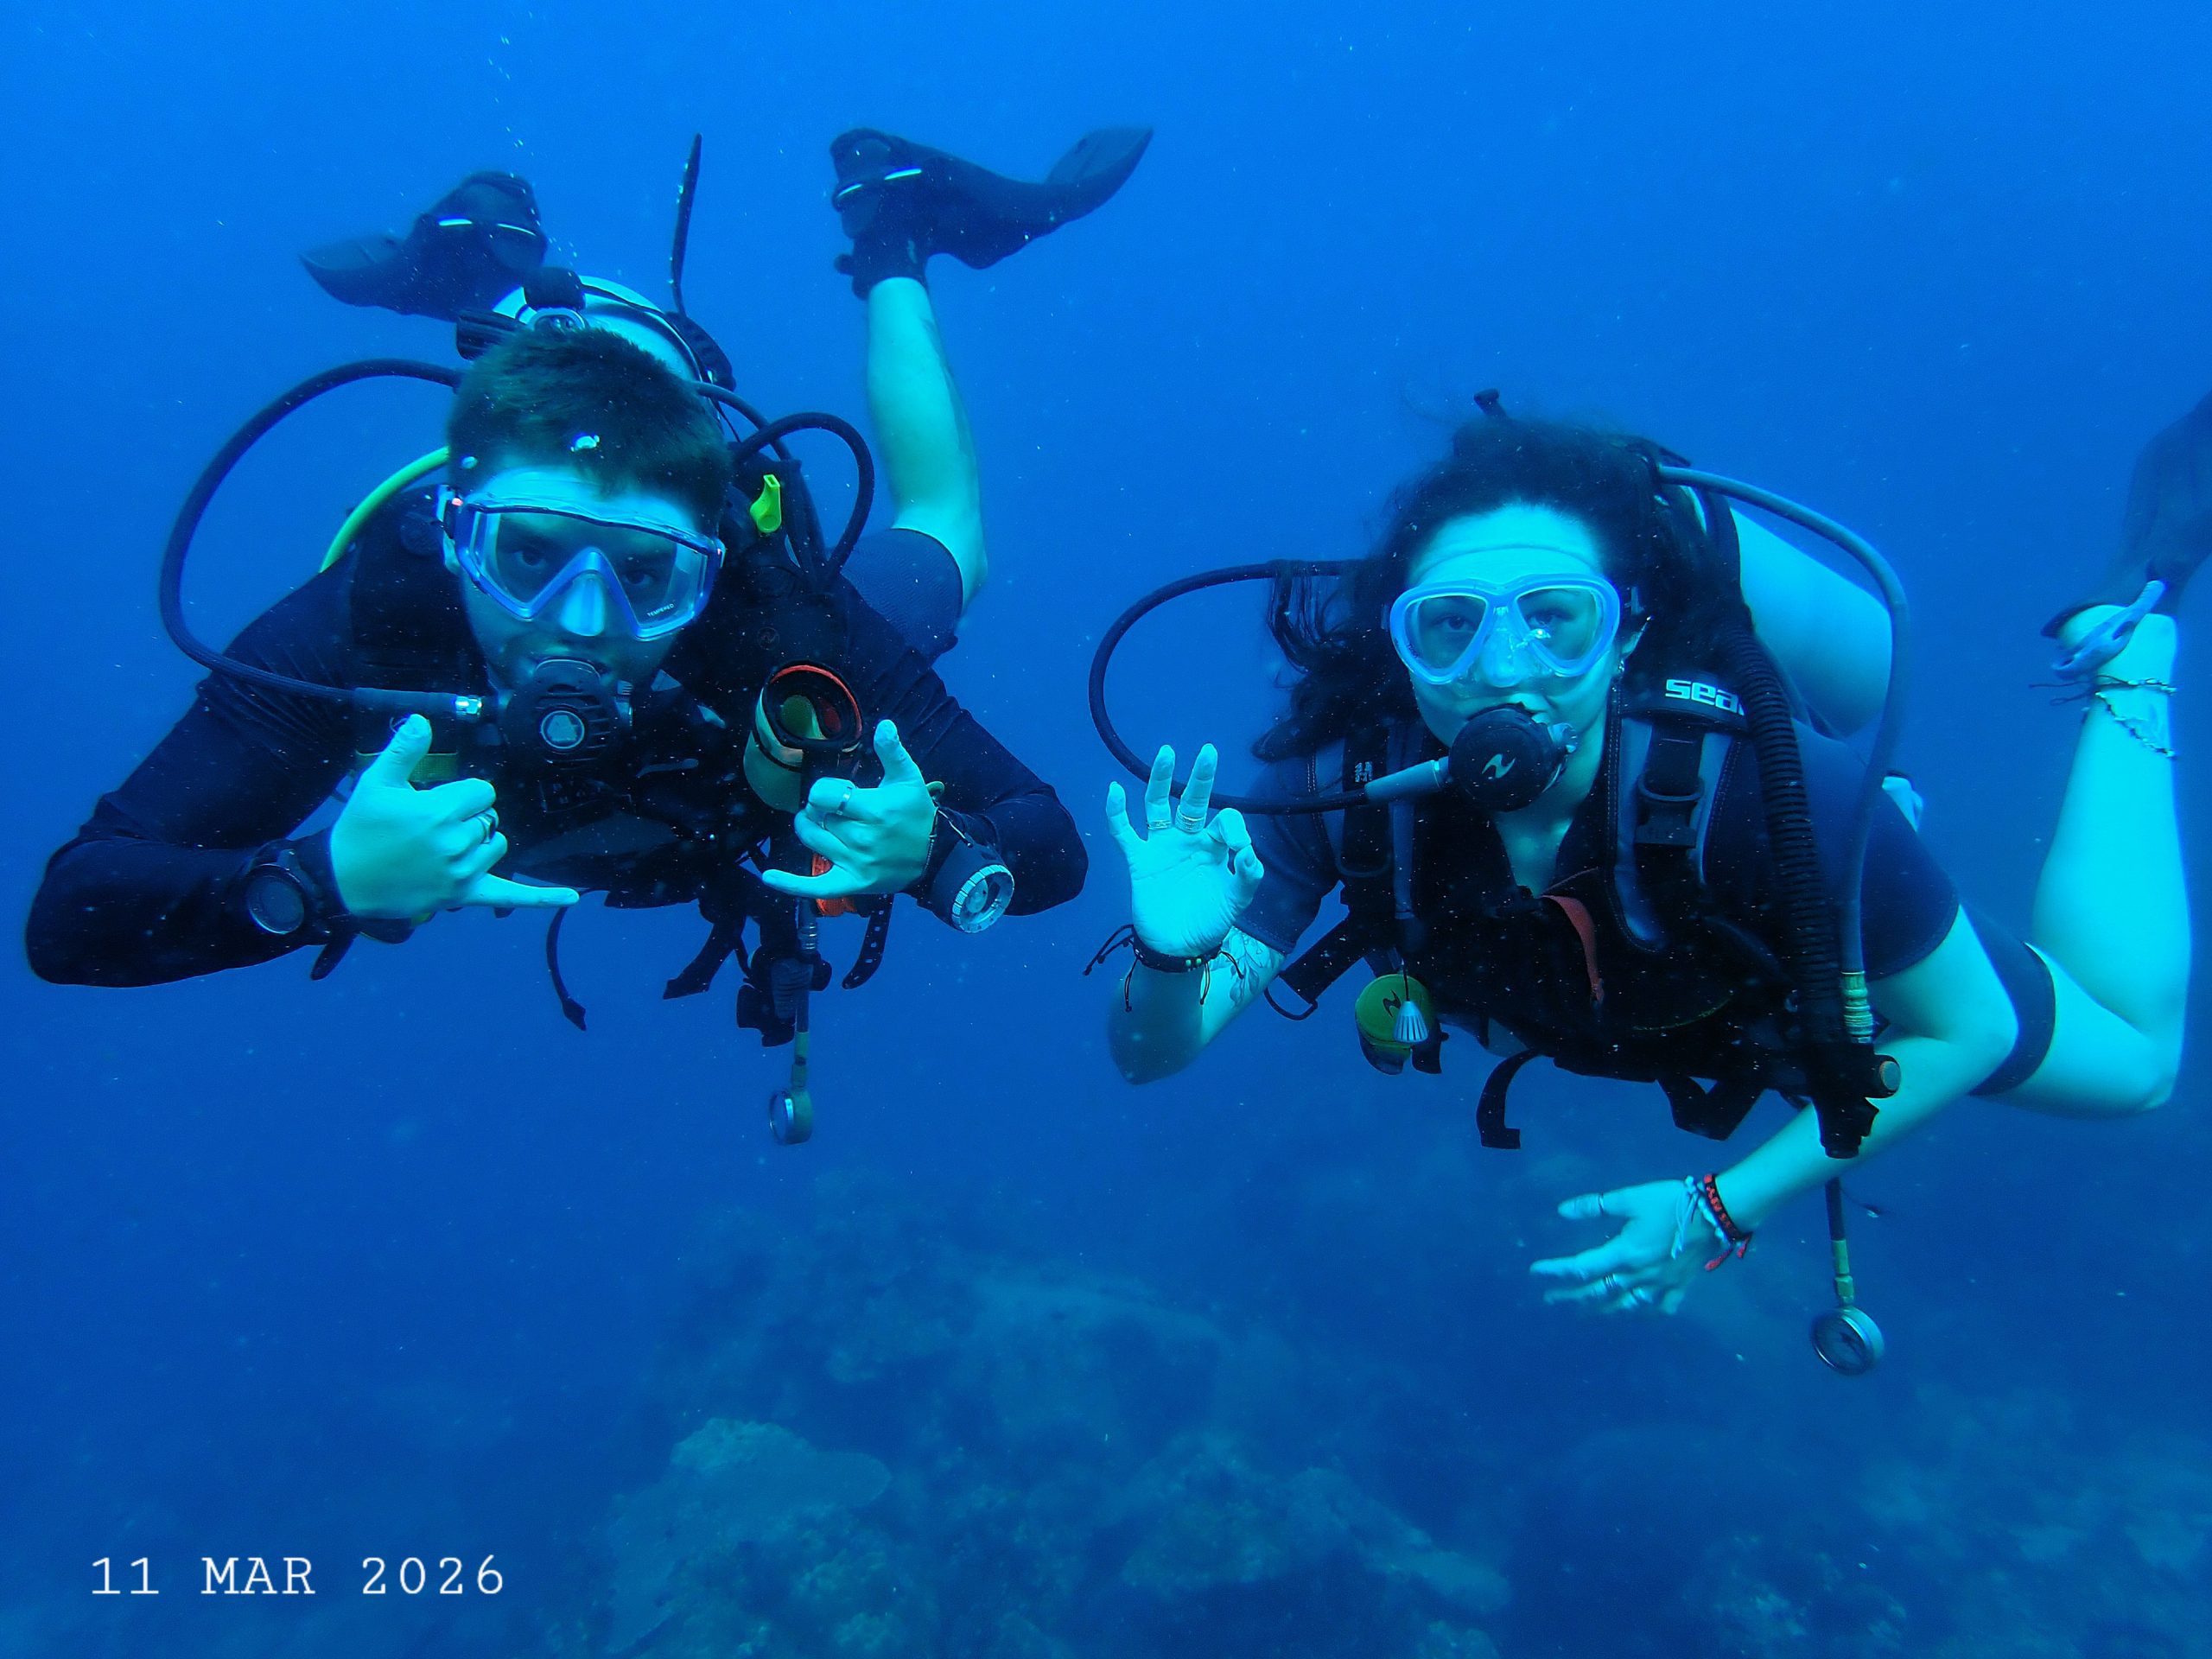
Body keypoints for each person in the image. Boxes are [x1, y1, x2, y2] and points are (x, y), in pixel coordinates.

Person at [24, 128, 1148, 1056]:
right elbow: (73, 918)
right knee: (930, 527)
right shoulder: (377, 618)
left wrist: (931, 844)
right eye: (526, 556)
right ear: (456, 536)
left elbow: (1048, 842)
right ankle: (493, 276)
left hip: (735, 588)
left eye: (647, 573)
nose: (582, 618)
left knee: (948, 536)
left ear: (704, 566)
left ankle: (894, 234)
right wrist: (317, 880)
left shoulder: (774, 621)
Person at [1097, 404, 2195, 1317]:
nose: (1499, 672)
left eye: (1555, 620)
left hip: (1783, 907)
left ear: (1624, 634)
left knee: (2135, 1066)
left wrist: (1723, 1204)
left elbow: (1972, 1027)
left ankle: (2131, 662)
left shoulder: (1770, 795)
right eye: (1448, 628)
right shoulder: (1337, 791)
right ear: (1400, 643)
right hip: (1671, 982)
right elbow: (1153, 1055)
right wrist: (1165, 951)